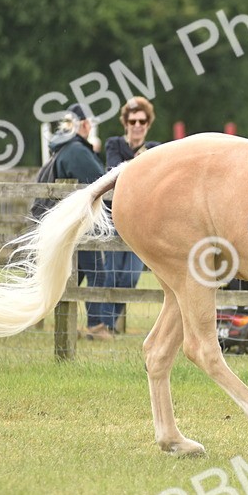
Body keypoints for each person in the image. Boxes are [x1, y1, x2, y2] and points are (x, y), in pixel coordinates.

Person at [50, 103, 115, 340]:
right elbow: (100, 181)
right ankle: (96, 326)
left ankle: (66, 326)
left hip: (72, 223)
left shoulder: (66, 148)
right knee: (96, 272)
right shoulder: (76, 151)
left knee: (73, 275)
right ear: (84, 124)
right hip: (81, 224)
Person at [103, 97, 162, 332]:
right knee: (111, 274)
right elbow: (114, 171)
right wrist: (140, 166)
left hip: (141, 221)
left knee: (130, 277)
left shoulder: (156, 147)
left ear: (148, 124)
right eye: (133, 120)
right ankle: (104, 326)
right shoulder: (114, 144)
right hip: (115, 216)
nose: (137, 125)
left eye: (142, 121)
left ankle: (111, 323)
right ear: (125, 122)